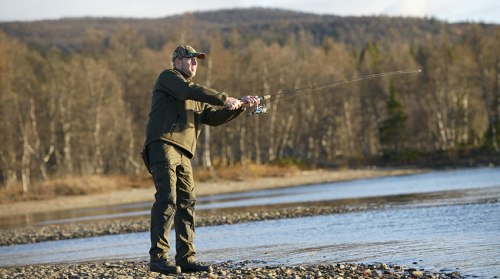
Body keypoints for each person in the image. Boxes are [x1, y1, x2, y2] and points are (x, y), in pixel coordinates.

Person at [142, 44, 260, 275]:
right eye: (190, 59)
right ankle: (158, 258)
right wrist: (225, 98)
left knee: (187, 202)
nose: (195, 63)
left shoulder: (194, 94)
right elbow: (189, 90)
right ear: (176, 61)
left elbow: (212, 118)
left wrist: (240, 106)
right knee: (168, 199)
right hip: (163, 145)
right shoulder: (169, 78)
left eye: (197, 60)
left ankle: (186, 258)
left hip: (184, 152)